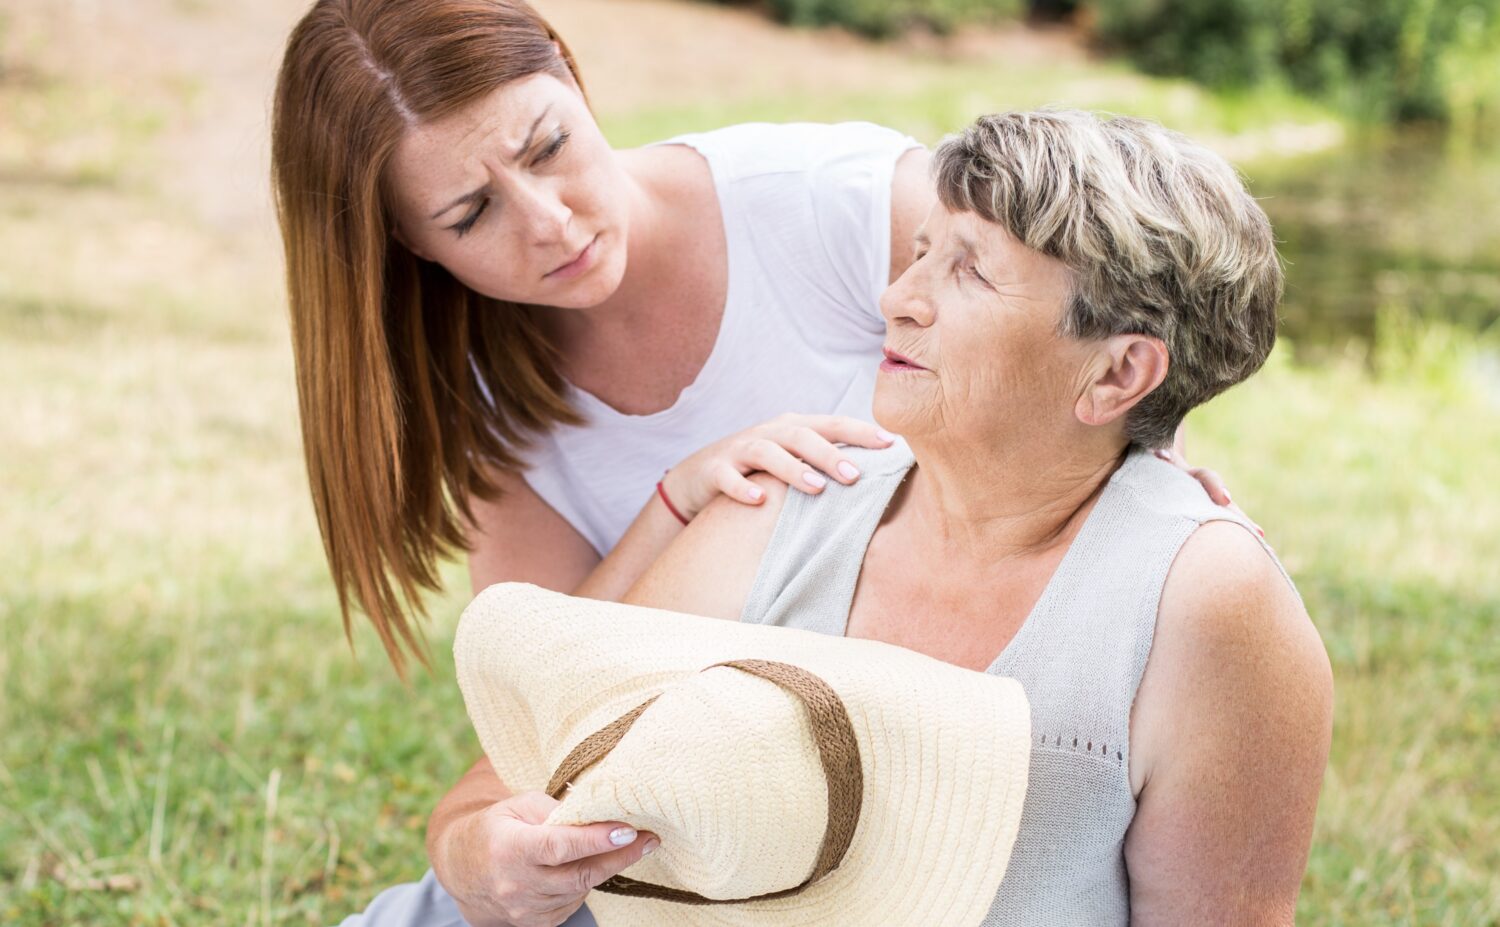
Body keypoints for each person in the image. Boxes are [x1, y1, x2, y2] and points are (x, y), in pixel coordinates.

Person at [270, 2, 1241, 923]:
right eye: (473, 212)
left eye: (549, 147)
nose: (551, 222)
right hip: (709, 836)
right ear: (407, 242)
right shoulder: (482, 396)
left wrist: (1156, 498)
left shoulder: (836, 206)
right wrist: (677, 502)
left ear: (569, 71)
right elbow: (547, 706)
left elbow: (1093, 344)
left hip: (920, 788)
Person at [623, 110, 1335, 925]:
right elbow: (542, 766)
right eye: (921, 252)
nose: (898, 300)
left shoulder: (1206, 603)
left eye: (971, 272)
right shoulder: (789, 499)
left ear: (1119, 372)